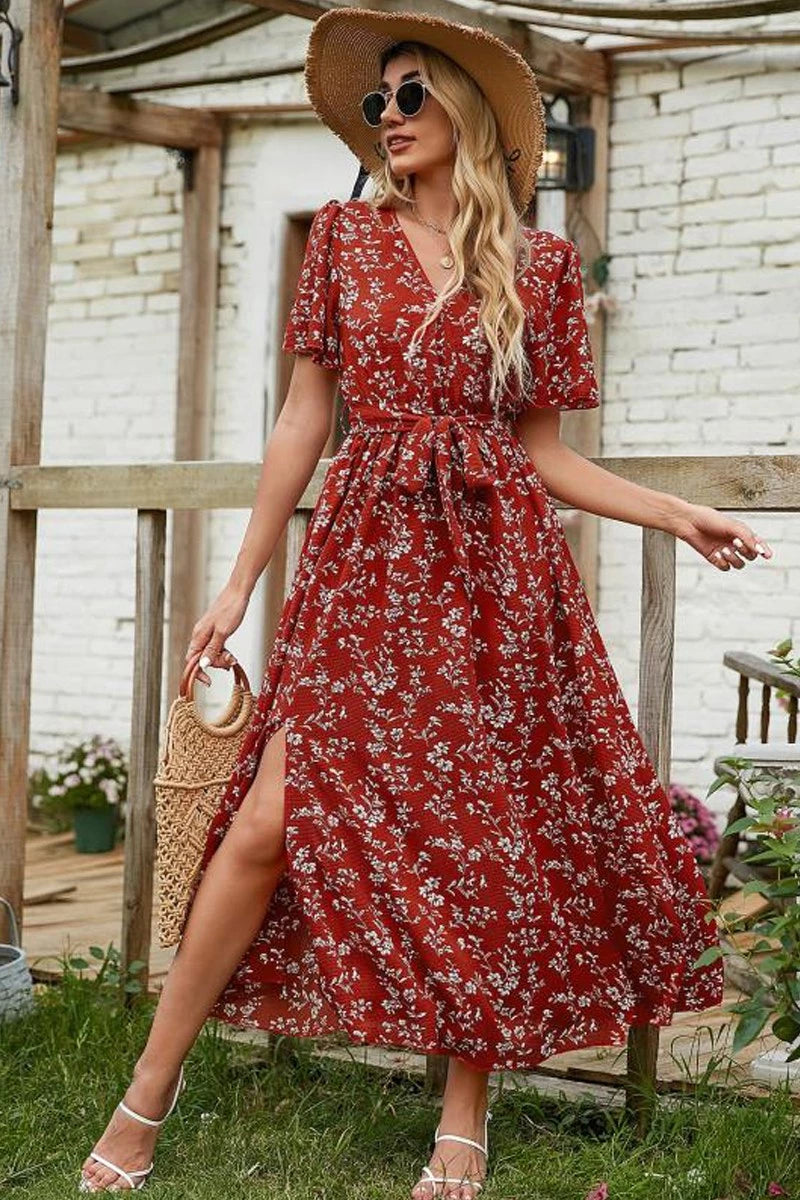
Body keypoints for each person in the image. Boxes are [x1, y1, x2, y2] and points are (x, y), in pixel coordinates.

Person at [79, 7, 774, 1196]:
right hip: (363, 571)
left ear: (463, 109)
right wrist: (240, 580)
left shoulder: (540, 269)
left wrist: (670, 512)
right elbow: (305, 419)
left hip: (498, 579)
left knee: (484, 839)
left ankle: (465, 1109)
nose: (386, 119)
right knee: (262, 824)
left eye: (407, 96)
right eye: (374, 105)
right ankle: (150, 1085)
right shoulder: (344, 242)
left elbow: (544, 454)